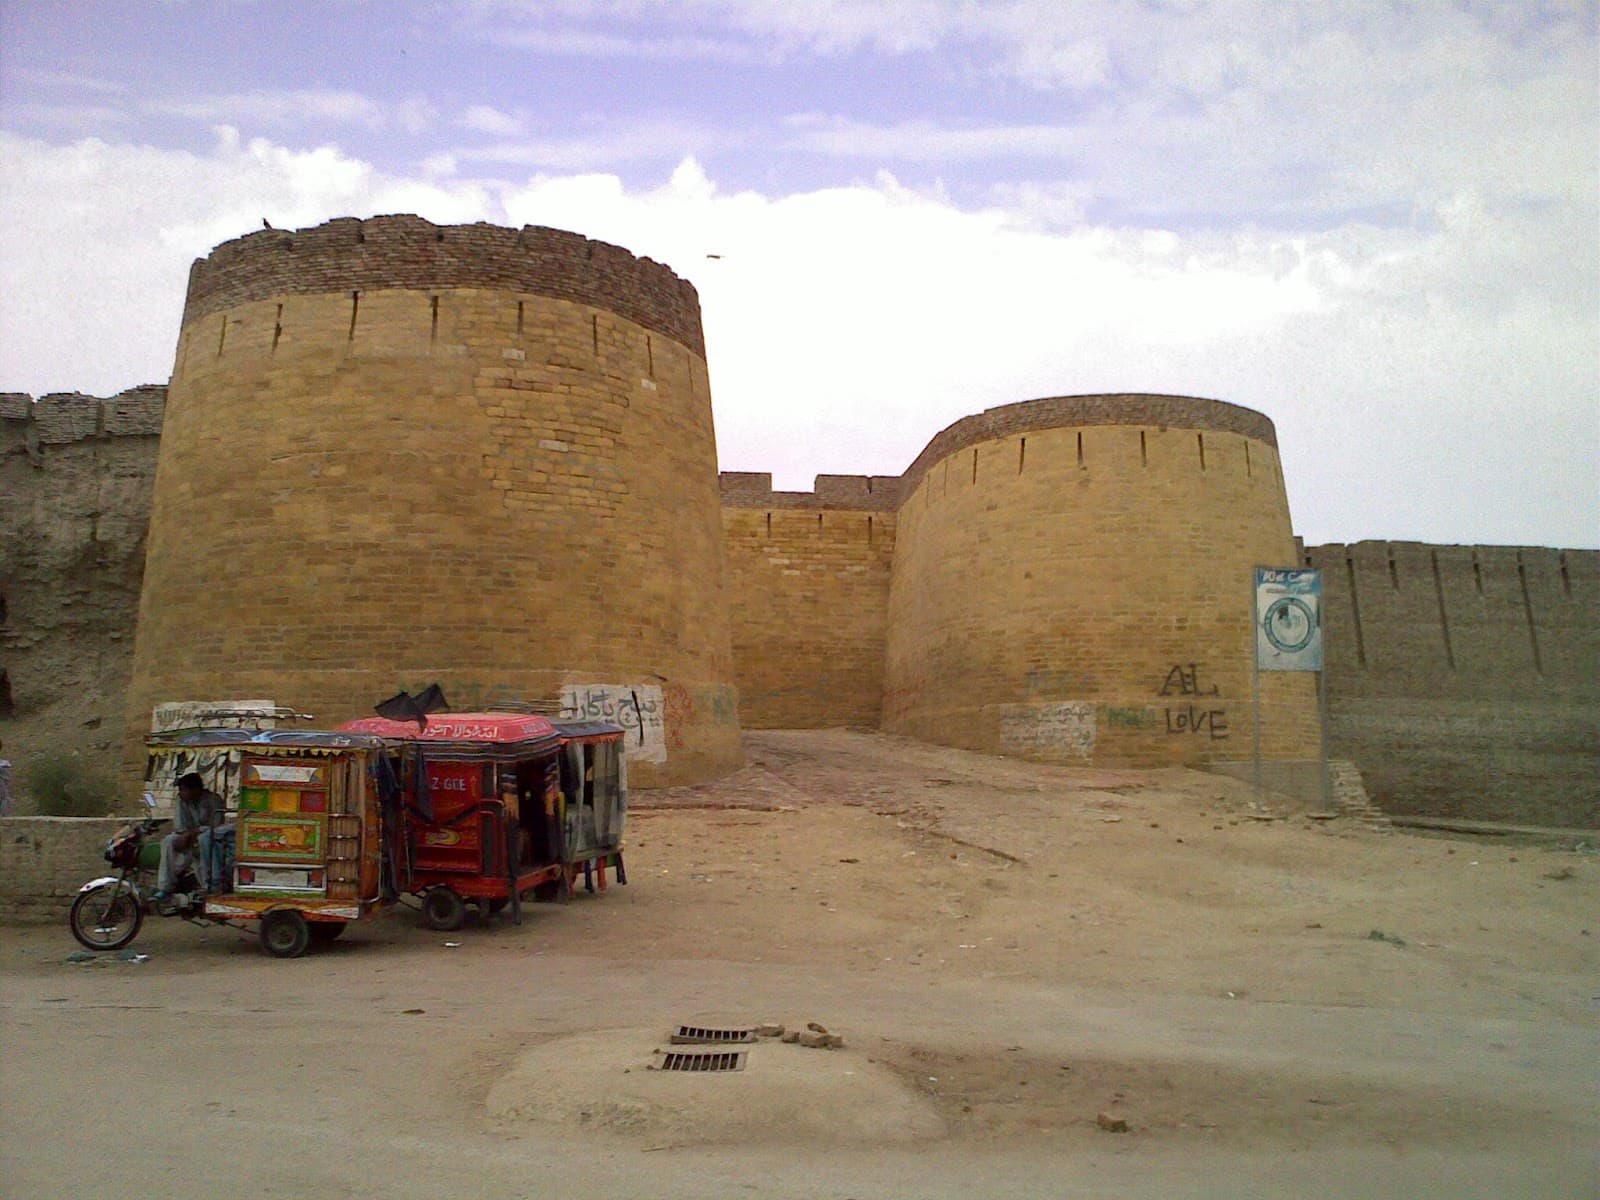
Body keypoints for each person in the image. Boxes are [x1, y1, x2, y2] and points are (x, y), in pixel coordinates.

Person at [153, 772, 223, 901]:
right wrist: (186, 835)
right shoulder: (182, 801)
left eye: (183, 790)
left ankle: (209, 887)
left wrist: (194, 833)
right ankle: (165, 888)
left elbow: (216, 826)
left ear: (195, 789)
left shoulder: (213, 800)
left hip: (209, 839)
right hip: (188, 838)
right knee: (168, 841)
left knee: (204, 840)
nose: (181, 793)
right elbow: (180, 826)